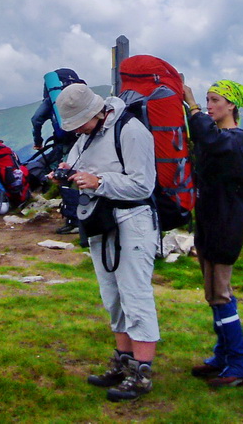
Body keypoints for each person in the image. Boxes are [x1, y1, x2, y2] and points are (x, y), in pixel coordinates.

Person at [58, 84, 159, 402]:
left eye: (79, 123)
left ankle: (142, 372)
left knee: (135, 294)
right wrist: (64, 173)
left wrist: (100, 181)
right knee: (112, 296)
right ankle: (123, 361)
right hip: (100, 220)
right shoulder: (86, 135)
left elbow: (143, 184)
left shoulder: (131, 131)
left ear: (96, 112)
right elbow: (77, 165)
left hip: (133, 221)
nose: (77, 130)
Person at [184, 79, 243, 387]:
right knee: (214, 294)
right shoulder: (222, 136)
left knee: (220, 294)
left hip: (226, 226)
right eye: (207, 99)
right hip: (211, 222)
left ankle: (238, 364)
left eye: (215, 100)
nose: (210, 104)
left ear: (232, 106)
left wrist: (193, 107)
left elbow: (212, 141)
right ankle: (223, 356)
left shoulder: (236, 139)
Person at [32, 69, 85, 234]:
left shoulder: (51, 100)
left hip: (64, 143)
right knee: (83, 175)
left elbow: (36, 119)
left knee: (65, 177)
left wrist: (38, 142)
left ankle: (74, 220)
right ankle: (86, 215)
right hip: (84, 138)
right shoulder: (80, 93)